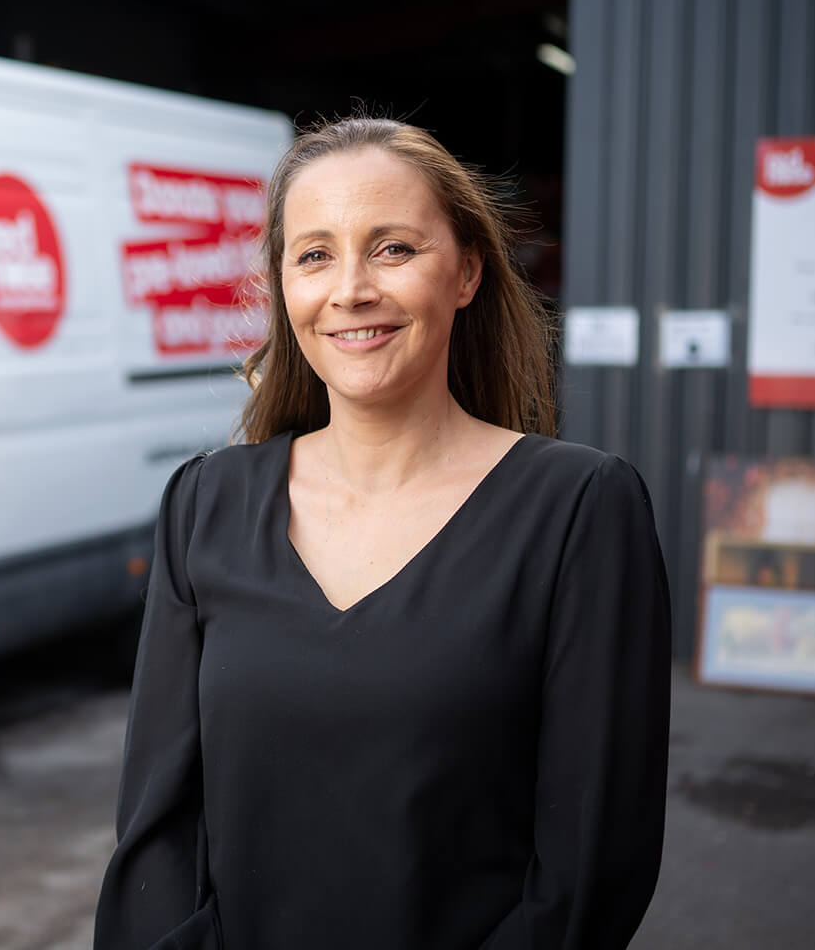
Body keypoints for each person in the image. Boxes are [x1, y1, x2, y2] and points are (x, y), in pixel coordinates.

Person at [93, 118, 671, 949]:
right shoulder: (205, 505)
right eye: (315, 254)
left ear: (467, 272)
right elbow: (157, 835)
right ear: (283, 286)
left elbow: (589, 873)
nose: (350, 288)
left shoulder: (578, 510)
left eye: (393, 248)